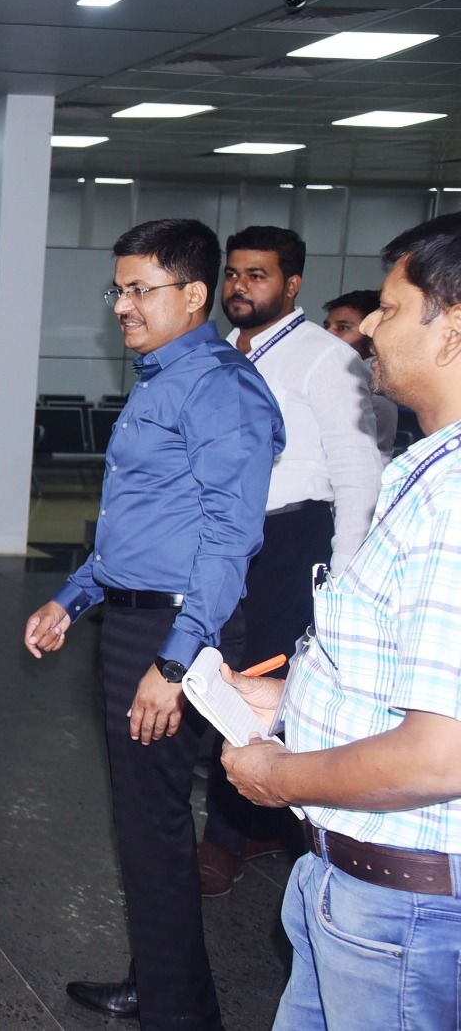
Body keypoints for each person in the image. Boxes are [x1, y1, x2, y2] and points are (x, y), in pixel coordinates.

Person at [22, 218, 283, 1029]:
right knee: (144, 825)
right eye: (119, 289)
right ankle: (160, 984)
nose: (122, 305)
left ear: (194, 294)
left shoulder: (220, 387)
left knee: (155, 827)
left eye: (140, 289)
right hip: (140, 620)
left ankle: (180, 1014)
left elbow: (228, 538)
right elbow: (139, 526)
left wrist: (174, 664)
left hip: (176, 632)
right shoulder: (162, 376)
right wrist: (72, 598)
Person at [221, 211, 461, 1031]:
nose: (370, 331)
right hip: (357, 887)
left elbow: (441, 753)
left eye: (390, 310)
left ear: (453, 328)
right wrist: (291, 702)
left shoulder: (454, 501)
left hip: (405, 910)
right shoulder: (428, 472)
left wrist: (279, 774)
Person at [197, 228, 384, 897]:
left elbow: (358, 472)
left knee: (278, 680)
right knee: (221, 680)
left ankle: (259, 834)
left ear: (292, 284)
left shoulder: (326, 358)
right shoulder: (217, 353)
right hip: (226, 537)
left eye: (258, 275)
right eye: (234, 274)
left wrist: (345, 576)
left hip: (294, 539)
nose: (240, 286)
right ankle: (238, 823)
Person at [323, 288, 399, 457]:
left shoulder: (368, 376)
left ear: (371, 331)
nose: (328, 334)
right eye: (327, 326)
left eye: (342, 327)